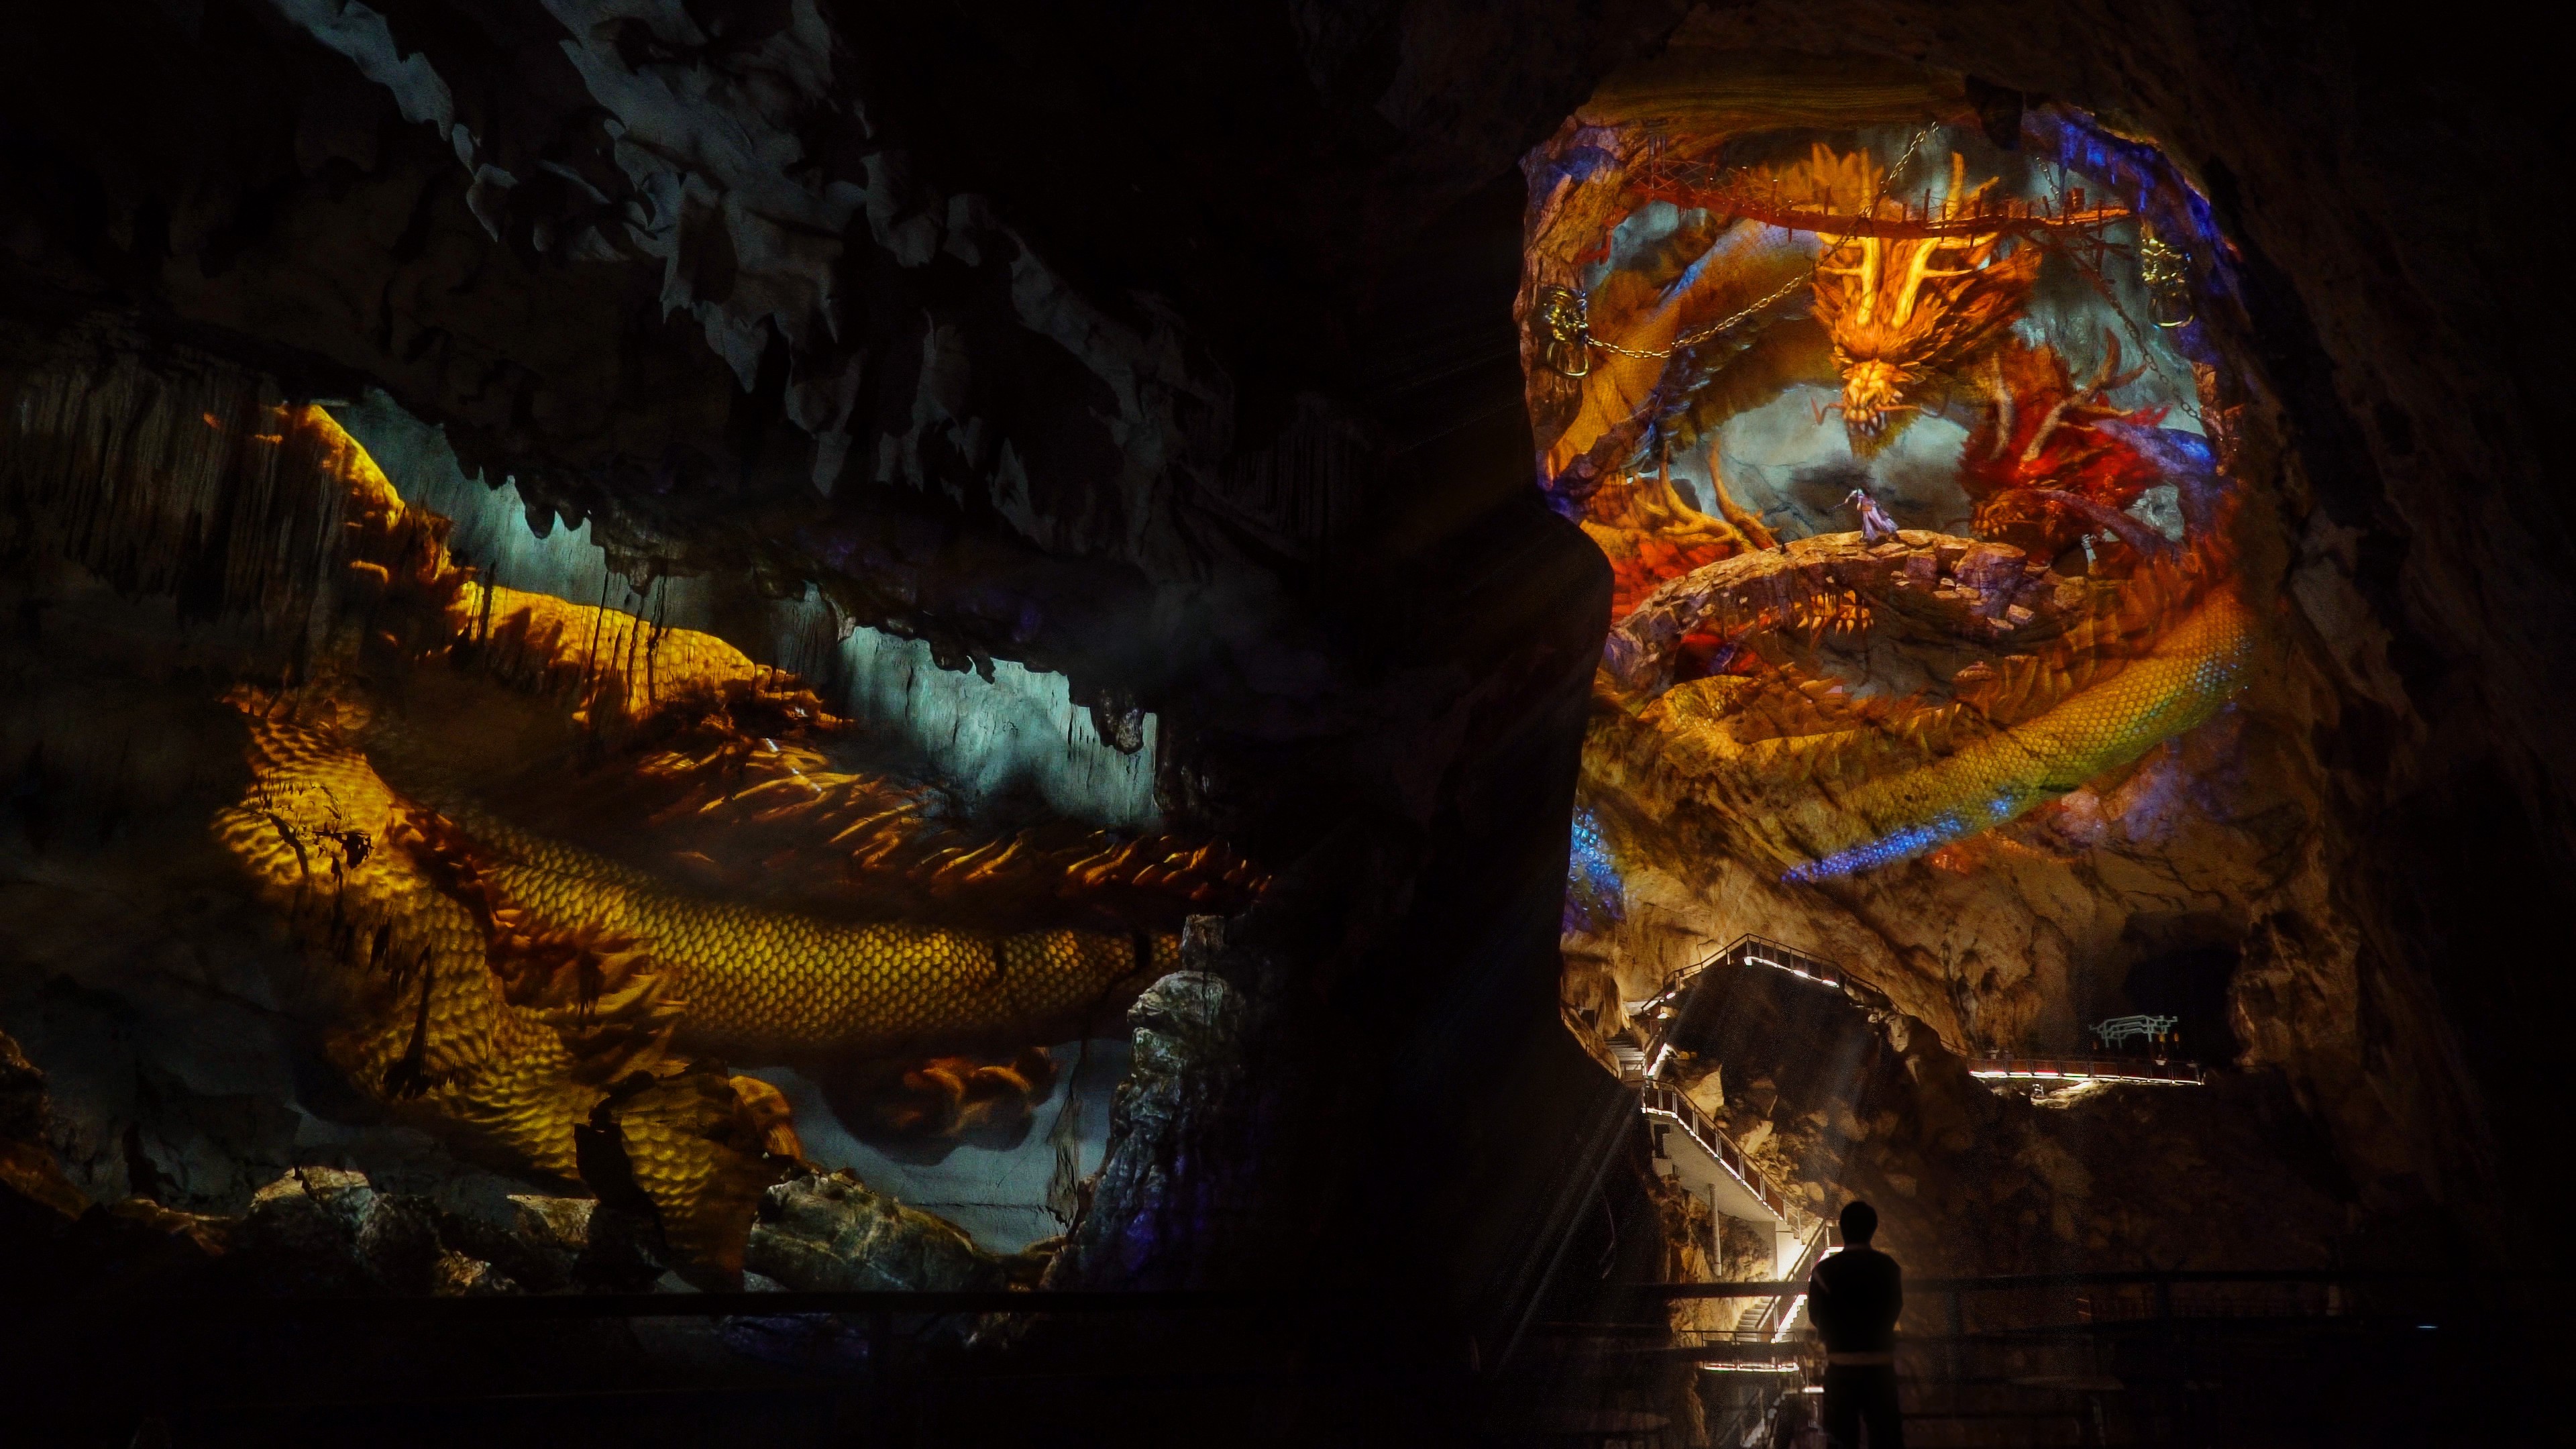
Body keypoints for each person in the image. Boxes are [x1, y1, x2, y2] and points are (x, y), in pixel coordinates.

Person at [1807, 1200, 1905, 1448]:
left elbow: (1815, 1316)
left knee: (1841, 1438)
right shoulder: (1889, 1268)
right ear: (1873, 1228)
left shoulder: (1823, 1271)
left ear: (1843, 1229)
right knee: (1887, 1439)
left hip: (1841, 1366)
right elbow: (1895, 1307)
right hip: (1880, 1365)